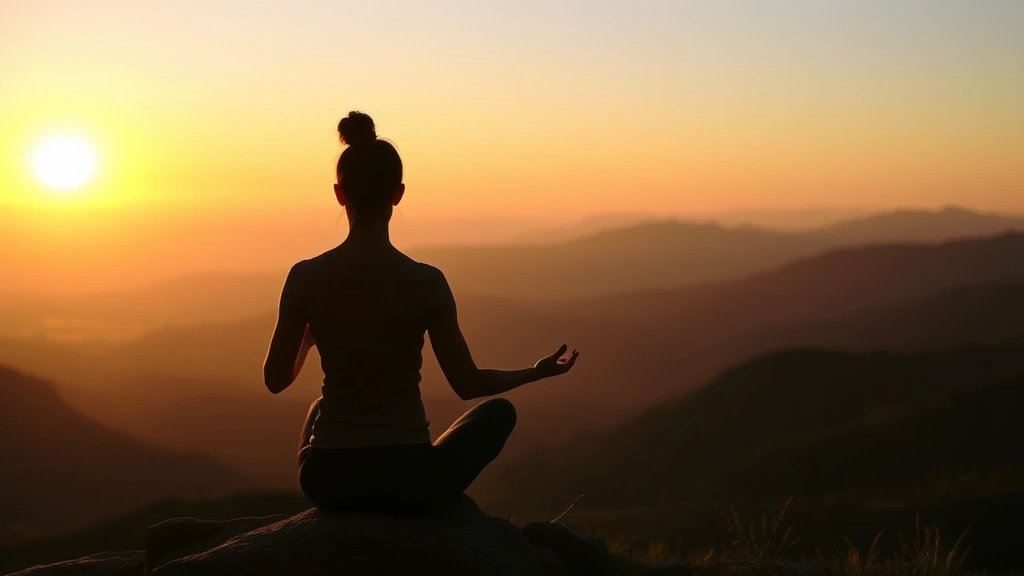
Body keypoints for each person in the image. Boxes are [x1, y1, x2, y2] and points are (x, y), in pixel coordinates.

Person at [262, 111, 579, 515]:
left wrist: (306, 341)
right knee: (499, 413)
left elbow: (275, 380)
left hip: (329, 479)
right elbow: (467, 382)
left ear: (340, 194)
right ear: (398, 193)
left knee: (317, 407)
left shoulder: (304, 277)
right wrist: (537, 371)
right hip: (411, 476)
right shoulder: (427, 282)